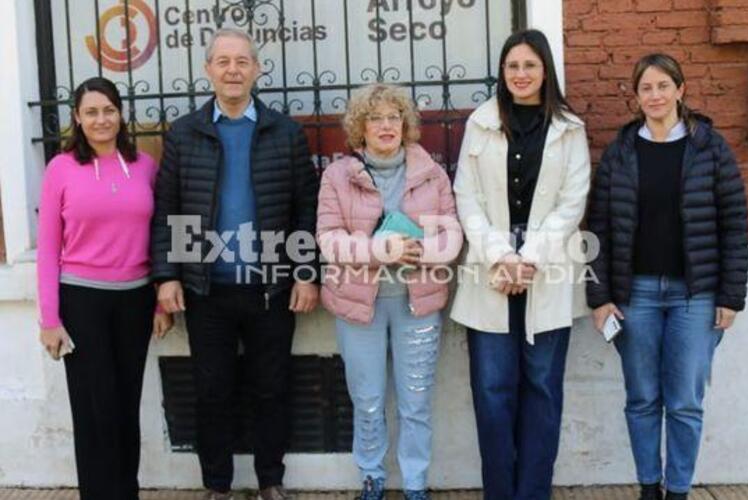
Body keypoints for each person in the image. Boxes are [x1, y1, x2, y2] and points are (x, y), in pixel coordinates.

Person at [151, 28, 319, 500]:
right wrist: (167, 276)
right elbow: (168, 208)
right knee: (212, 392)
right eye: (223, 62)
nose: (232, 70)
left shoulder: (284, 131)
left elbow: (304, 207)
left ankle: (271, 481)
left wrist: (305, 273)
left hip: (270, 288)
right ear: (208, 70)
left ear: (257, 69)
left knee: (272, 388)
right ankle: (217, 486)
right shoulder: (186, 132)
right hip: (206, 289)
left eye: (242, 61)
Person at [587, 53, 748, 500]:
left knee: (685, 402)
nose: (655, 95)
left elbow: (735, 222)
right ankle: (648, 488)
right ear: (636, 97)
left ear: (680, 89)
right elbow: (597, 228)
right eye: (646, 88)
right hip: (634, 294)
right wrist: (599, 297)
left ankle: (678, 490)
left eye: (663, 86)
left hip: (694, 296)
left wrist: (731, 297)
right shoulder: (621, 152)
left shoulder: (710, 148)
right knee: (641, 399)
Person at [450, 30, 591, 500]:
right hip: (490, 272)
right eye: (512, 66)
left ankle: (533, 493)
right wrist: (501, 256)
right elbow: (465, 196)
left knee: (543, 393)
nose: (521, 75)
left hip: (545, 271)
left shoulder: (569, 129)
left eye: (530, 65)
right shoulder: (481, 122)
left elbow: (572, 204)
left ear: (545, 69)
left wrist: (527, 258)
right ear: (502, 72)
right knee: (493, 396)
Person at [316, 83, 462, 500]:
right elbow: (327, 239)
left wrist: (421, 251)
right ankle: (372, 477)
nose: (385, 126)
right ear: (360, 127)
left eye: (393, 117)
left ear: (405, 124)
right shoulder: (338, 175)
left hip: (417, 306)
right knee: (368, 399)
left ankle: (416, 483)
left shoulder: (430, 173)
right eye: (375, 117)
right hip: (359, 306)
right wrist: (382, 250)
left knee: (416, 402)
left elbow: (452, 233)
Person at [36, 76, 173, 500]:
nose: (101, 119)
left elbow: (161, 234)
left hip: (135, 299)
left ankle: (124, 493)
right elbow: (46, 248)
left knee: (125, 405)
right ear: (77, 118)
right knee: (95, 409)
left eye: (108, 110)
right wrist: (49, 319)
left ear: (121, 114)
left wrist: (159, 302)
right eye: (91, 112)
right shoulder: (60, 168)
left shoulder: (145, 166)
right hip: (81, 301)